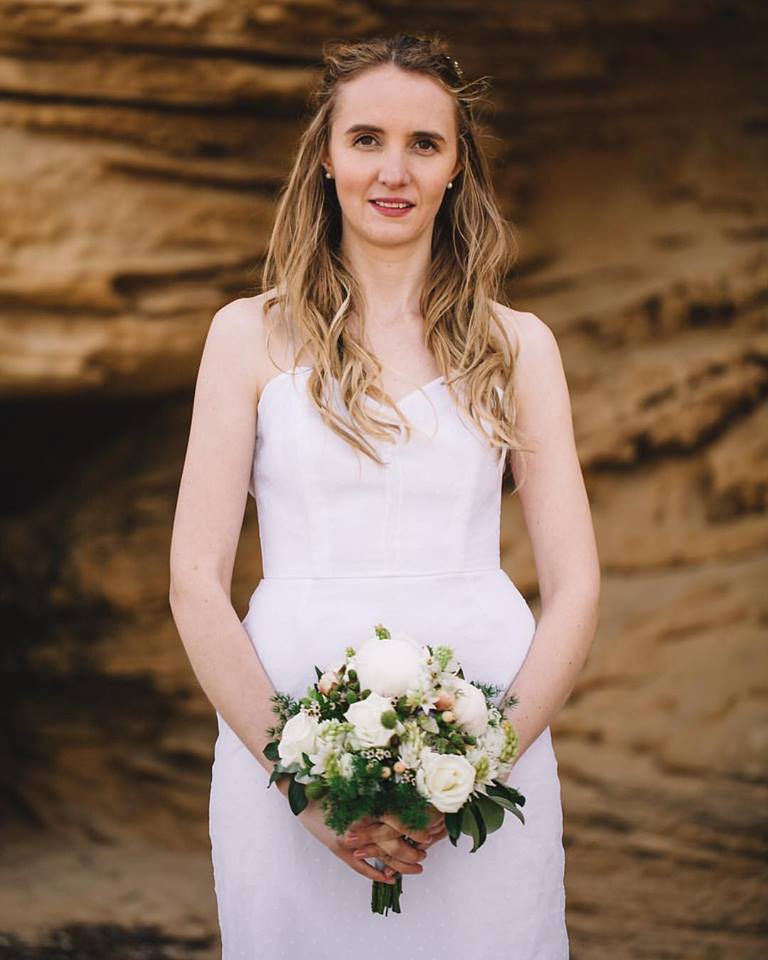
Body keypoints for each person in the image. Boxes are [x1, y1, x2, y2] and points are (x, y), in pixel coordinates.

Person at [169, 32, 600, 960]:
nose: (392, 171)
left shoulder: (520, 347)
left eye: (424, 144)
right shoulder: (246, 337)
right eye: (366, 140)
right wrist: (303, 784)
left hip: (486, 734)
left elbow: (575, 589)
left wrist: (478, 769)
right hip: (281, 730)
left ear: (456, 168)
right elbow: (194, 582)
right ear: (325, 158)